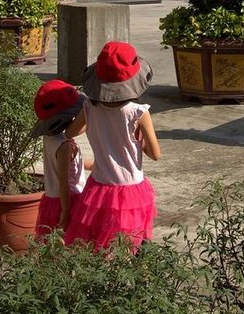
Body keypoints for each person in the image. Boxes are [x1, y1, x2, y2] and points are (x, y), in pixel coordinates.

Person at [64, 42, 161, 250]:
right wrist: (137, 140)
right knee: (129, 245)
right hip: (130, 190)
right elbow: (155, 154)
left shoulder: (89, 106)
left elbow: (70, 132)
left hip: (98, 187)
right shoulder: (138, 112)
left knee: (99, 243)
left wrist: (95, 128)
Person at [31, 80, 90, 238]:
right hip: (69, 199)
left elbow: (67, 167)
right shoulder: (64, 146)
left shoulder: (50, 138)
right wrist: (65, 211)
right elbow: (63, 181)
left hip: (51, 199)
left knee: (52, 243)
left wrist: (94, 165)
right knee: (73, 242)